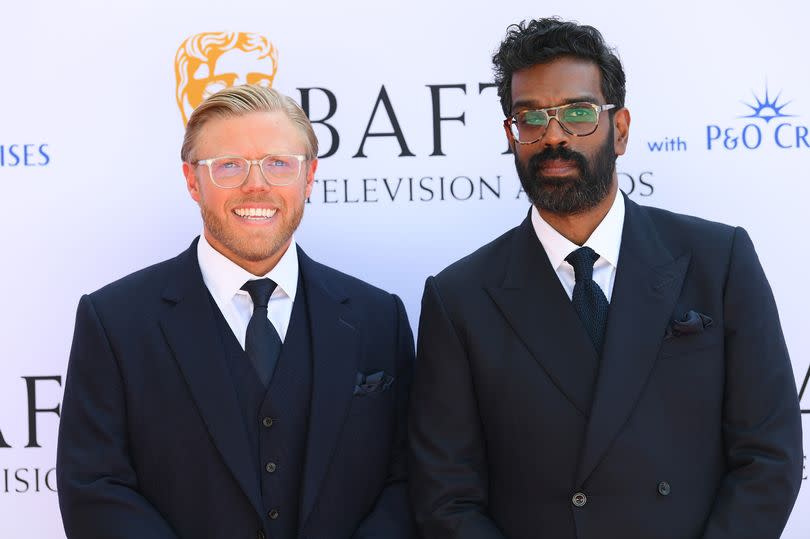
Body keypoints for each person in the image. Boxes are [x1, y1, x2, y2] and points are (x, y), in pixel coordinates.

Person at [409, 18, 802, 539]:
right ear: (512, 136)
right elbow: (447, 498)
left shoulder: (719, 260)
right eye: (530, 119)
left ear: (619, 129)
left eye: (578, 114)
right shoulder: (459, 297)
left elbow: (769, 455)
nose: (553, 136)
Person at [57, 85, 414, 539]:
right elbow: (94, 489)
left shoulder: (379, 317)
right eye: (229, 165)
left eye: (278, 164)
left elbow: (408, 481)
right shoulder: (114, 321)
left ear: (308, 177)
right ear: (192, 181)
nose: (256, 184)